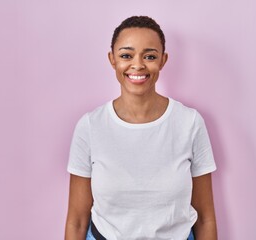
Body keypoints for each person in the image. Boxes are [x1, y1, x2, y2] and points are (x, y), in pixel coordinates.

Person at [65, 16, 217, 240]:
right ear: (112, 59)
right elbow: (77, 221)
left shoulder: (189, 123)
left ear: (163, 60)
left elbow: (205, 218)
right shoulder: (90, 126)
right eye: (126, 55)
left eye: (150, 56)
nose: (137, 65)